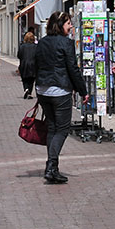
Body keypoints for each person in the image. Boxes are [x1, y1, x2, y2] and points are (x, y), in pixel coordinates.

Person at [35, 11, 89, 184]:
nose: (71, 26)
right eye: (68, 24)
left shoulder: (42, 42)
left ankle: (52, 167)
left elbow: (36, 65)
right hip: (60, 91)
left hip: (43, 90)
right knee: (63, 129)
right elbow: (72, 68)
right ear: (60, 25)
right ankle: (51, 167)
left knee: (52, 128)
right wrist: (83, 91)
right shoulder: (66, 43)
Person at [17, 31, 37, 99]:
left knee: (24, 79)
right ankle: (30, 92)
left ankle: (26, 89)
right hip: (33, 65)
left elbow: (19, 55)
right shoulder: (35, 46)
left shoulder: (22, 46)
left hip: (23, 64)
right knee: (31, 80)